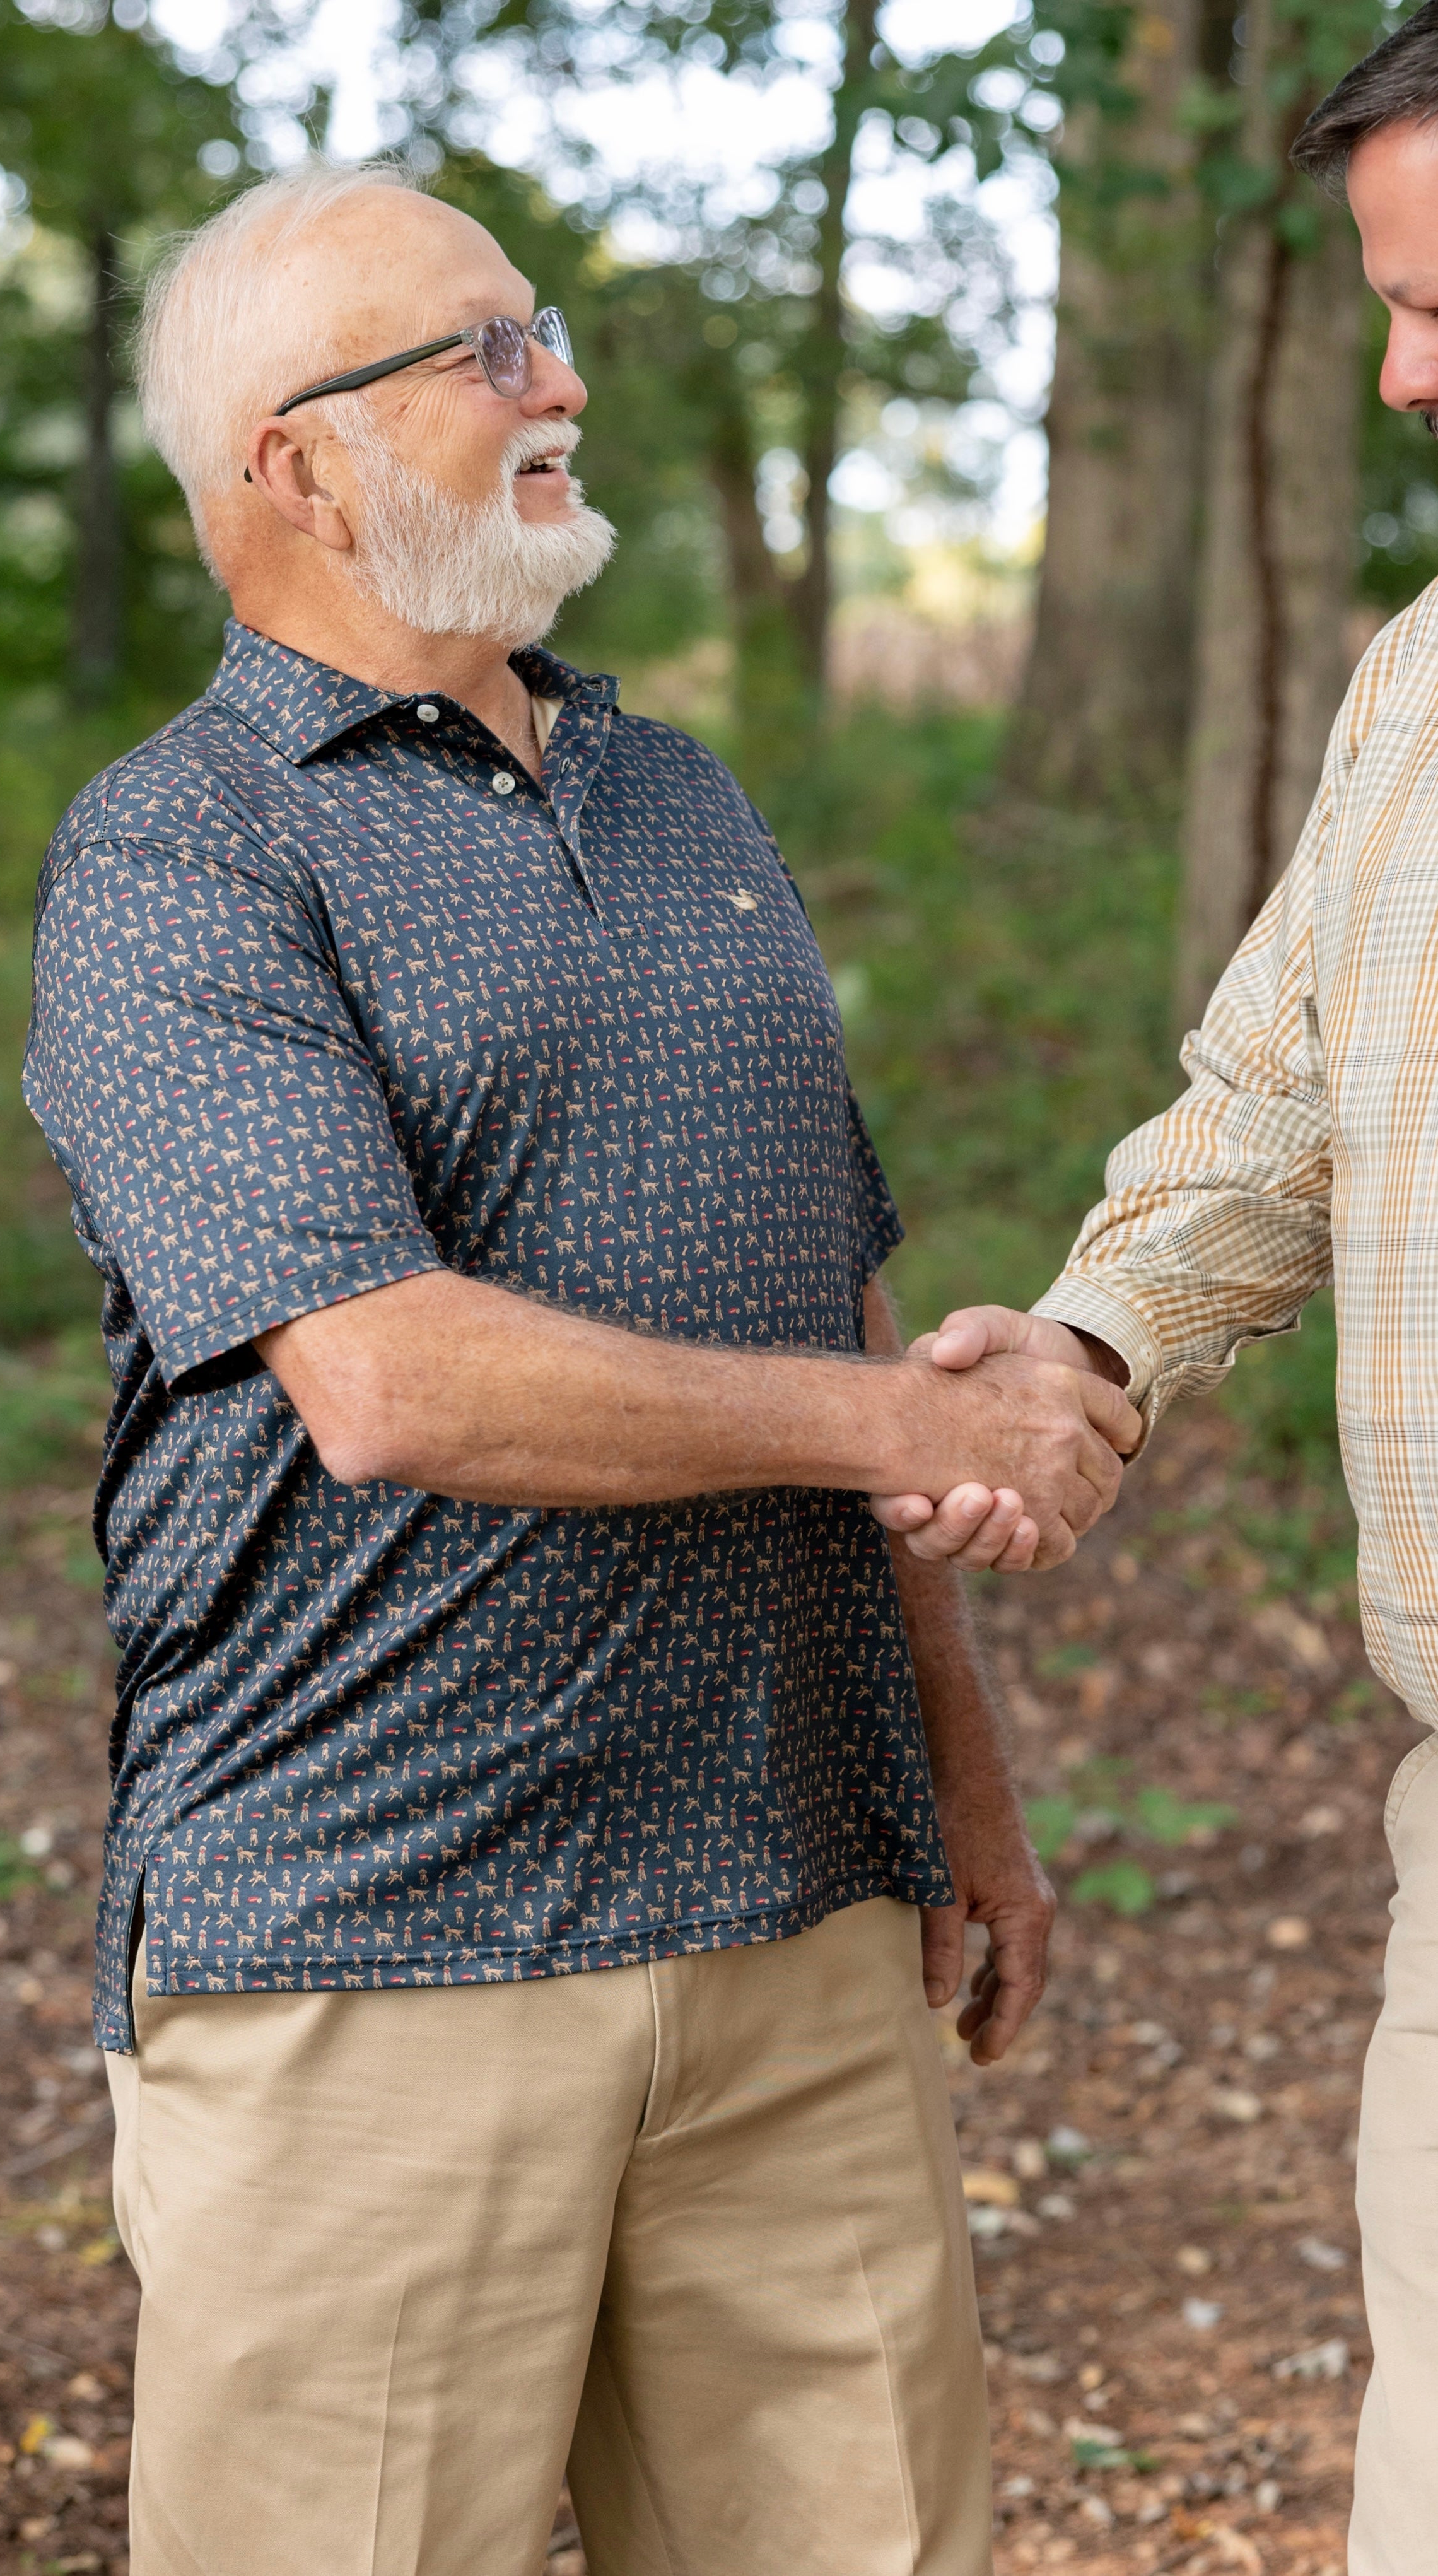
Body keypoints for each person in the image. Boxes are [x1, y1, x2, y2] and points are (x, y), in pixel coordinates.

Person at [20, 161, 1141, 2576]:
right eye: (482, 350)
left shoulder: (681, 798)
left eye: (543, 329)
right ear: (291, 464)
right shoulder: (178, 860)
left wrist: (960, 1773)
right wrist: (926, 1426)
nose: (563, 384)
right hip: (371, 1950)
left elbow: (820, 1281)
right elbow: (393, 1381)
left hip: (795, 1925)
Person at [869, 15, 1438, 2570]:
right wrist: (1087, 1347)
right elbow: (1276, 1103)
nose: (1411, 374)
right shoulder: (1424, 687)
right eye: (1394, 309)